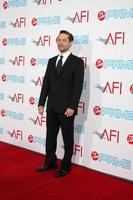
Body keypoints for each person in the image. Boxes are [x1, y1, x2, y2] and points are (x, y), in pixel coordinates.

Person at [36, 30, 84, 178]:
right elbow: (46, 84)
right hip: (51, 106)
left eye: (64, 40)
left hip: (66, 109)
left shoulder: (77, 62)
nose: (61, 42)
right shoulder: (51, 60)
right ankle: (50, 161)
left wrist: (72, 106)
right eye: (59, 39)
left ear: (70, 43)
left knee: (67, 138)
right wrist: (41, 102)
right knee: (50, 136)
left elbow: (77, 86)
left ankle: (65, 166)